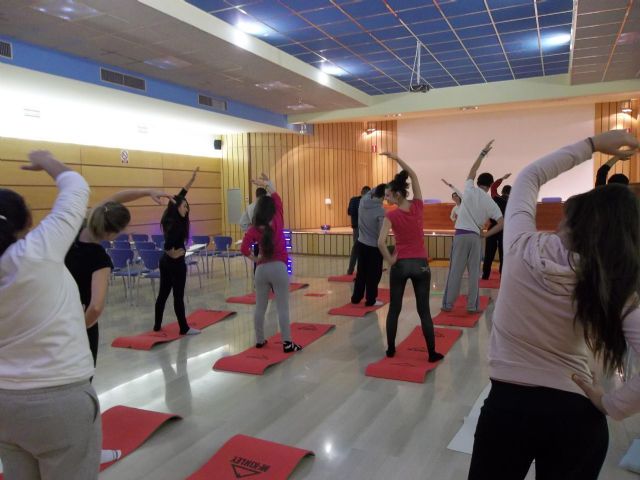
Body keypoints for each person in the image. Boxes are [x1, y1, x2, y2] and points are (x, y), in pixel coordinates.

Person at [468, 130, 640, 480]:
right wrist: (612, 405)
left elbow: (531, 175)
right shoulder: (615, 283)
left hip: (508, 412)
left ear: (573, 224)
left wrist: (592, 145)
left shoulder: (520, 246)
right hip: (578, 419)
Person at [0, 150, 101, 479]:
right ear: (28, 221)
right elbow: (76, 188)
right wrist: (48, 162)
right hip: (61, 400)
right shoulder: (37, 251)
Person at [64, 188, 172, 465]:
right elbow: (96, 307)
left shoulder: (75, 228)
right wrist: (78, 332)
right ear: (111, 234)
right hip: (77, 329)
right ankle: (89, 453)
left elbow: (115, 197)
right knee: (83, 392)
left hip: (53, 320)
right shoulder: (99, 258)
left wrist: (147, 191)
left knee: (56, 391)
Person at [377, 152, 443, 363]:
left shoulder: (391, 215)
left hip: (401, 264)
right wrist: (396, 158)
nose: (386, 199)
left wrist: (390, 260)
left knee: (394, 309)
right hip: (421, 264)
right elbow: (413, 176)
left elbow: (380, 242)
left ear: (397, 194)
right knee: (424, 311)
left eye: (388, 195)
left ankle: (390, 350)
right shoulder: (417, 206)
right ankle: (432, 353)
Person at [241, 175, 302, 353]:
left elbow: (244, 249)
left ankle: (260, 341)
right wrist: (267, 184)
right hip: (279, 269)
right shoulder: (278, 218)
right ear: (273, 208)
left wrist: (256, 259)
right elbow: (276, 196)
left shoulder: (253, 228)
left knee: (260, 307)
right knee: (282, 307)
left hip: (261, 270)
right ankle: (287, 344)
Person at [441, 141, 504, 313]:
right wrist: (487, 234)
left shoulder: (469, 189)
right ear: (490, 185)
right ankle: (472, 306)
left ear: (478, 182)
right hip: (476, 237)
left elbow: (472, 170)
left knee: (455, 271)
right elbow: (502, 222)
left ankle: (447, 305)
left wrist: (483, 153)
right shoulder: (490, 202)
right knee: (474, 273)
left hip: (461, 235)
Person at [154, 167, 201, 335]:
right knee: (177, 296)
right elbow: (167, 244)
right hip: (175, 263)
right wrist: (171, 253)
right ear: (178, 207)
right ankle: (184, 328)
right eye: (185, 207)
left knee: (163, 294)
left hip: (165, 263)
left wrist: (191, 182)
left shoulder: (170, 217)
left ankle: (157, 326)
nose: (187, 209)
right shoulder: (177, 225)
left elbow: (180, 196)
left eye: (187, 207)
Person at [351, 183, 386, 307]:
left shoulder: (363, 201)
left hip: (361, 243)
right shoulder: (381, 210)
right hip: (374, 247)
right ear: (384, 196)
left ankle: (356, 297)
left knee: (361, 272)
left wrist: (382, 187)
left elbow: (371, 191)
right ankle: (370, 300)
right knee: (374, 275)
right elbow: (382, 232)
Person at [482, 176, 511, 280]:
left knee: (489, 253)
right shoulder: (512, 202)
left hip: (493, 227)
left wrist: (502, 178)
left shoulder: (495, 197)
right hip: (505, 230)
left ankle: (485, 276)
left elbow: (493, 186)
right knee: (503, 254)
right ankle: (503, 276)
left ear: (502, 191)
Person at [347, 186, 371, 275]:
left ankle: (351, 270)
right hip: (362, 227)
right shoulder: (365, 201)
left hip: (358, 227)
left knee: (357, 248)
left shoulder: (353, 200)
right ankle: (357, 270)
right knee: (360, 248)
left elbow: (349, 212)